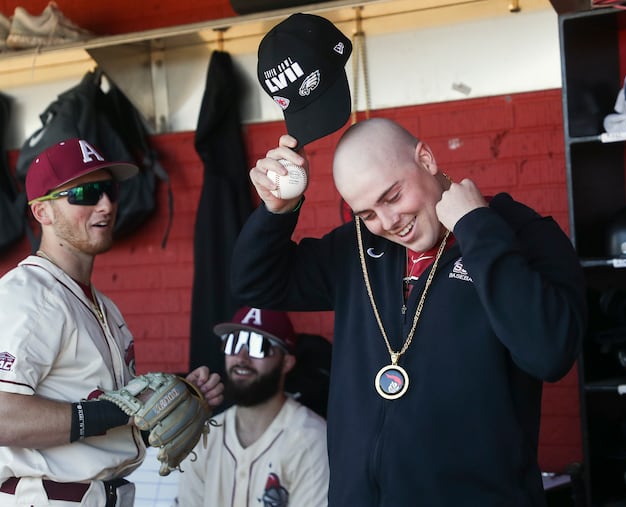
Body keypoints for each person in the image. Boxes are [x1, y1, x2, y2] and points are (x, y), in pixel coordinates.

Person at [230, 117, 588, 506]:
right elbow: (255, 283)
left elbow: (550, 353)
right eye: (365, 214)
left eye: (392, 197)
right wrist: (278, 211)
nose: (387, 223)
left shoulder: (520, 233)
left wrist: (476, 228)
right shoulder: (355, 250)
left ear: (426, 159)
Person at [0, 138, 223, 507]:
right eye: (85, 193)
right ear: (42, 212)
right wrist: (124, 409)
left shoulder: (101, 305)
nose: (105, 204)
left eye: (109, 190)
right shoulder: (25, 296)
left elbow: (97, 410)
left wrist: (170, 394)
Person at [176, 306, 328, 507]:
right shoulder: (205, 436)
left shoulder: (312, 439)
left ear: (286, 362)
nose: (241, 358)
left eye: (258, 345)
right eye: (234, 343)